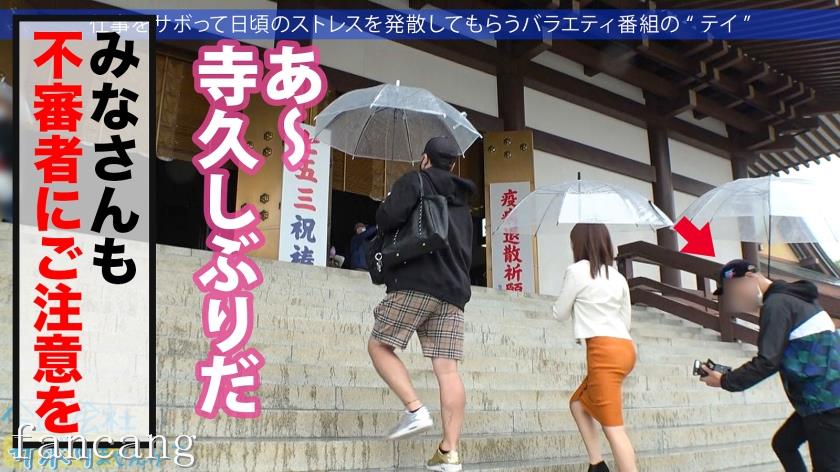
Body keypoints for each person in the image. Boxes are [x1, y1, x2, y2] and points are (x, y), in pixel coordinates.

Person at [367, 136, 475, 472]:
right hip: (453, 291)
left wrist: (388, 200)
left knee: (379, 346)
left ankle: (415, 409)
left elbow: (386, 219)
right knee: (448, 371)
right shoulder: (463, 202)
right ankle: (449, 453)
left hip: (417, 280)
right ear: (452, 164)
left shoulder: (415, 181)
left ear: (425, 158)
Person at [699, 260, 840, 472]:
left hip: (824, 401)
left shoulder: (776, 304)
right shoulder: (795, 298)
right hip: (822, 396)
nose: (735, 300)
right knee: (783, 444)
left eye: (734, 292)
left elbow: (767, 361)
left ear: (749, 278)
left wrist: (725, 381)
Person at [552, 223, 637, 472]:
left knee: (615, 430)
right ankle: (596, 465)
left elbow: (559, 313)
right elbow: (626, 321)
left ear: (578, 244)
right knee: (578, 404)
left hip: (603, 352)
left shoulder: (577, 271)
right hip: (625, 348)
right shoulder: (618, 277)